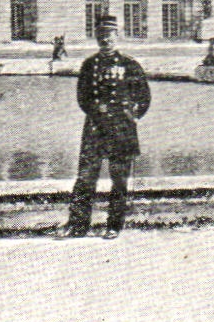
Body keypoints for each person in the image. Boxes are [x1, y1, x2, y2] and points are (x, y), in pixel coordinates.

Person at [60, 14, 151, 239]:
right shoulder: (90, 65)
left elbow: (144, 96)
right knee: (85, 178)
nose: (105, 40)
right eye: (101, 35)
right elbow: (83, 97)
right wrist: (95, 112)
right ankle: (78, 225)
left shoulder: (130, 65)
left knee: (119, 180)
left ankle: (114, 225)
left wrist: (134, 116)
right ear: (96, 37)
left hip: (121, 130)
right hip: (95, 129)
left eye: (109, 35)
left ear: (117, 36)